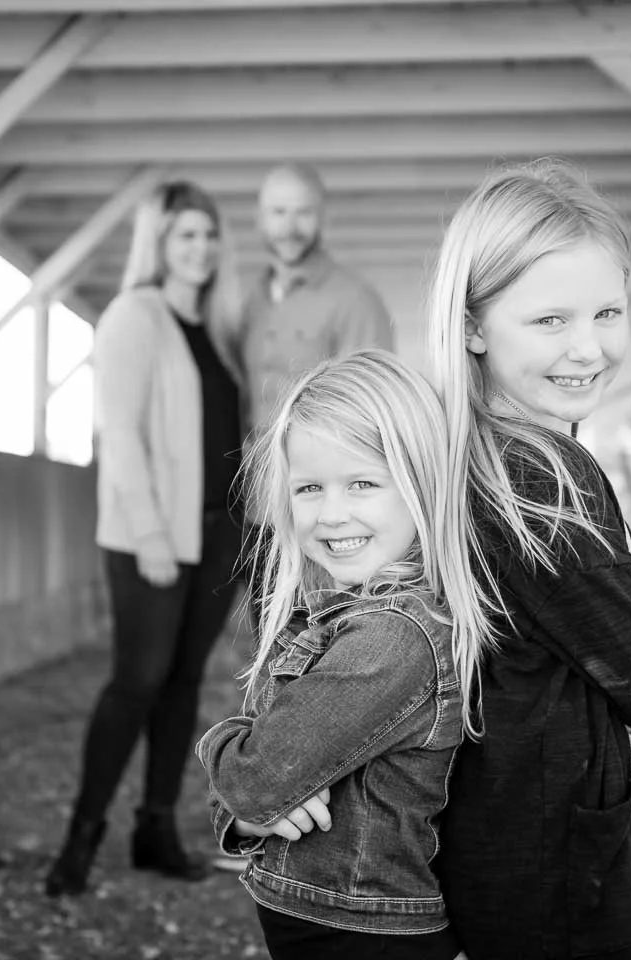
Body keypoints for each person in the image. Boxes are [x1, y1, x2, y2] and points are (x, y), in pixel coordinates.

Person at [427, 159, 631, 959]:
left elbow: (626, 599)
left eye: (607, 311)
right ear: (474, 325)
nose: (588, 348)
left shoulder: (491, 452)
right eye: (550, 320)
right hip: (545, 862)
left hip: (518, 840)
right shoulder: (534, 479)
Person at [197, 351, 466, 960]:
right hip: (334, 923)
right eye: (310, 488)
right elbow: (255, 801)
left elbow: (258, 781)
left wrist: (219, 747)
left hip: (362, 934)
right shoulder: (346, 611)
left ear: (423, 481)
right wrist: (245, 810)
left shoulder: (392, 638)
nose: (332, 513)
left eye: (363, 483)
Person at [45, 180, 246, 897]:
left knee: (184, 685)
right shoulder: (134, 316)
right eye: (184, 234)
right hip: (150, 539)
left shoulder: (219, 329)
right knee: (136, 683)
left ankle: (155, 830)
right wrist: (154, 533)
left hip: (219, 537)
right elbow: (120, 435)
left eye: (208, 233)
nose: (200, 247)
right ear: (158, 243)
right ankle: (79, 841)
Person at [239, 162, 396, 436]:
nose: (290, 227)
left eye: (304, 213)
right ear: (259, 219)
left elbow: (371, 408)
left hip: (316, 471)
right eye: (278, 212)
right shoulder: (253, 301)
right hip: (255, 472)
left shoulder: (355, 300)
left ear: (323, 219)